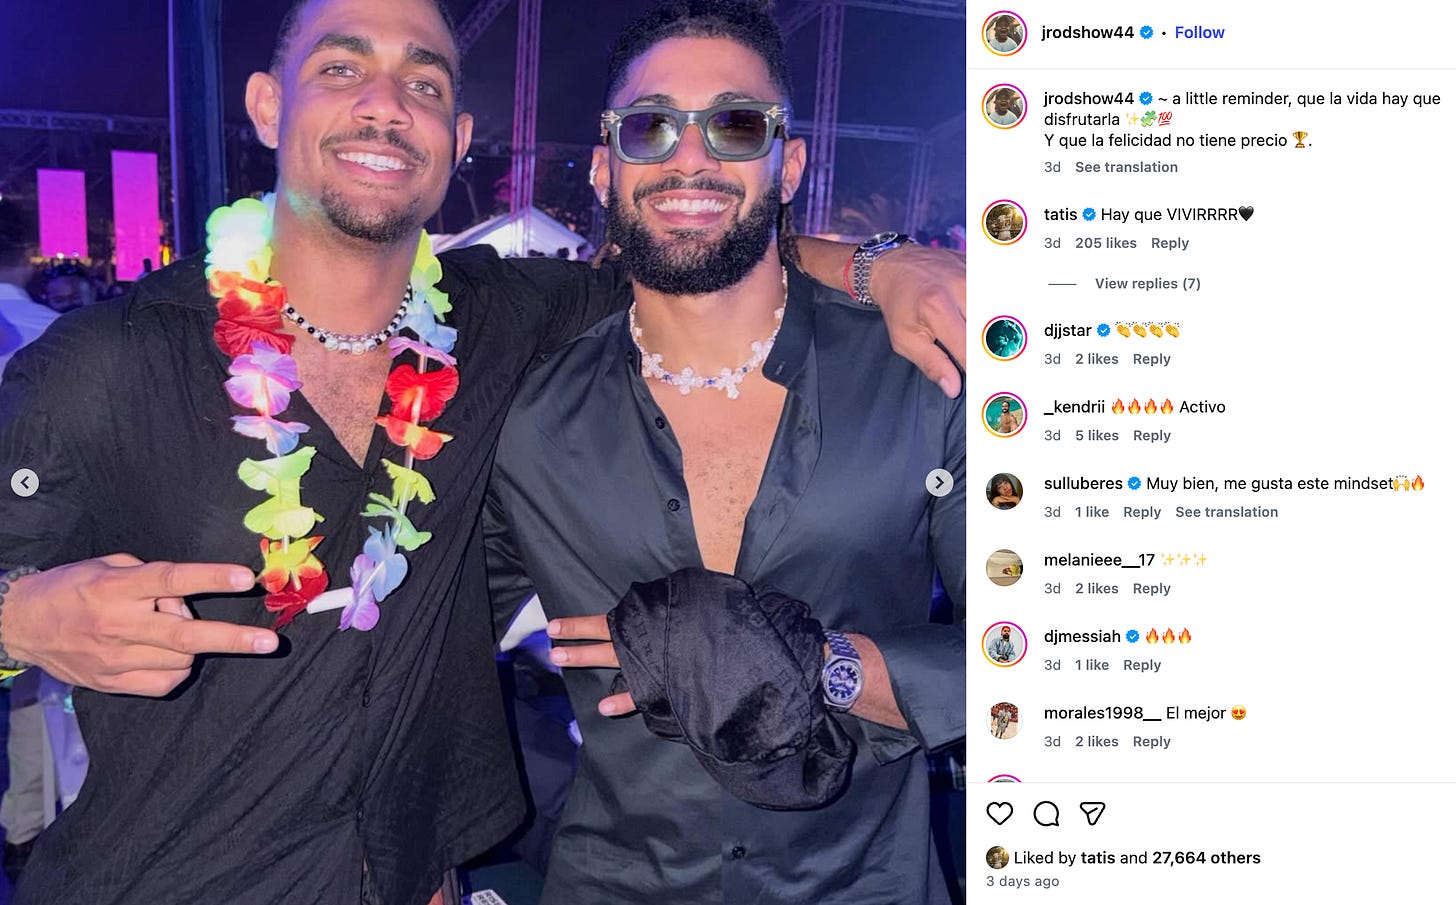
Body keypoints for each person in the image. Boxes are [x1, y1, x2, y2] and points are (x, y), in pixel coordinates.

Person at [0, 1, 967, 902]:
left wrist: (880, 264)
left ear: (457, 138)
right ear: (265, 105)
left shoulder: (505, 327)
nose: (386, 103)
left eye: (423, 81)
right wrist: (17, 625)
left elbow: (698, 246)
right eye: (341, 68)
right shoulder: (107, 363)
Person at [482, 3, 965, 902]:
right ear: (605, 165)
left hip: (864, 883)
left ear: (789, 165)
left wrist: (821, 663)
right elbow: (421, 629)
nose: (691, 156)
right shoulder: (533, 420)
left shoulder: (921, 376)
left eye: (735, 124)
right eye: (650, 125)